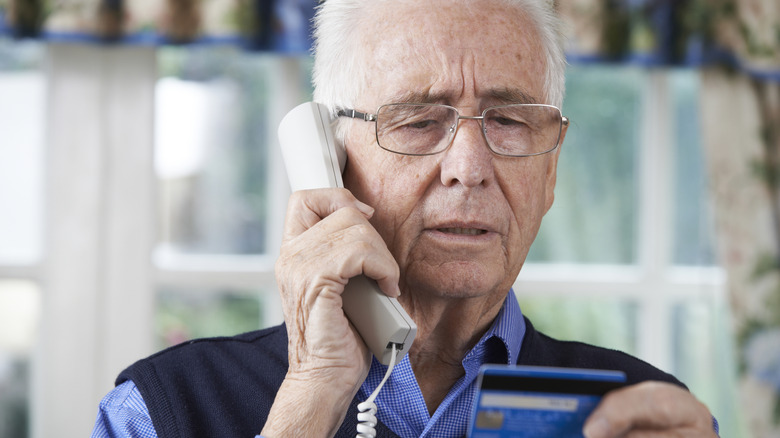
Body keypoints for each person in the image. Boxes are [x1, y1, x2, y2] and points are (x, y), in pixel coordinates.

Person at [91, 0, 719, 437]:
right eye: (418, 121)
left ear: (549, 171)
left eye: (507, 120)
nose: (468, 167)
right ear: (331, 160)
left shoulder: (644, 416)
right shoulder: (158, 411)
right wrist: (311, 397)